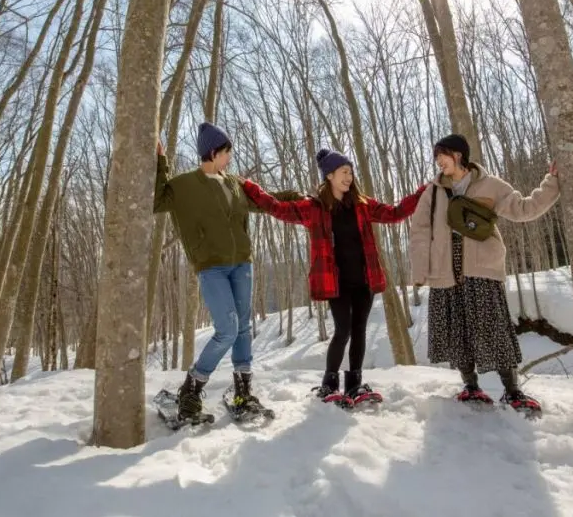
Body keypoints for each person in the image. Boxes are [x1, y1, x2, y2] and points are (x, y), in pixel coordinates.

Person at [241, 148, 427, 405]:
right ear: (329, 176)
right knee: (343, 330)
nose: (349, 177)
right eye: (343, 172)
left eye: (350, 172)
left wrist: (421, 193)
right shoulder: (314, 208)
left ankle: (354, 385)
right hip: (335, 282)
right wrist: (250, 187)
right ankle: (329, 385)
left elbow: (395, 213)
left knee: (359, 329)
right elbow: (277, 208)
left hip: (364, 279)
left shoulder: (362, 205)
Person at [153, 121, 300, 422]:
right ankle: (191, 390)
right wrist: (160, 163)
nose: (230, 157)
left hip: (242, 263)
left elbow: (263, 201)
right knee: (228, 329)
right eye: (226, 151)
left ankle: (243, 392)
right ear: (212, 152)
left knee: (243, 328)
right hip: (211, 266)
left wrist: (296, 198)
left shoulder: (234, 182)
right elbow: (157, 200)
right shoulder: (183, 185)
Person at [409, 133, 559, 415]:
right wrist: (420, 270)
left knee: (493, 328)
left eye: (442, 155)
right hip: (445, 271)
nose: (438, 161)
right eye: (436, 157)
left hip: (482, 270)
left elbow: (524, 208)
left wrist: (551, 183)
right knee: (457, 331)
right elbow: (419, 232)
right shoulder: (432, 192)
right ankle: (471, 386)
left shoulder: (490, 185)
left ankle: (512, 391)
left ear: (458, 155)